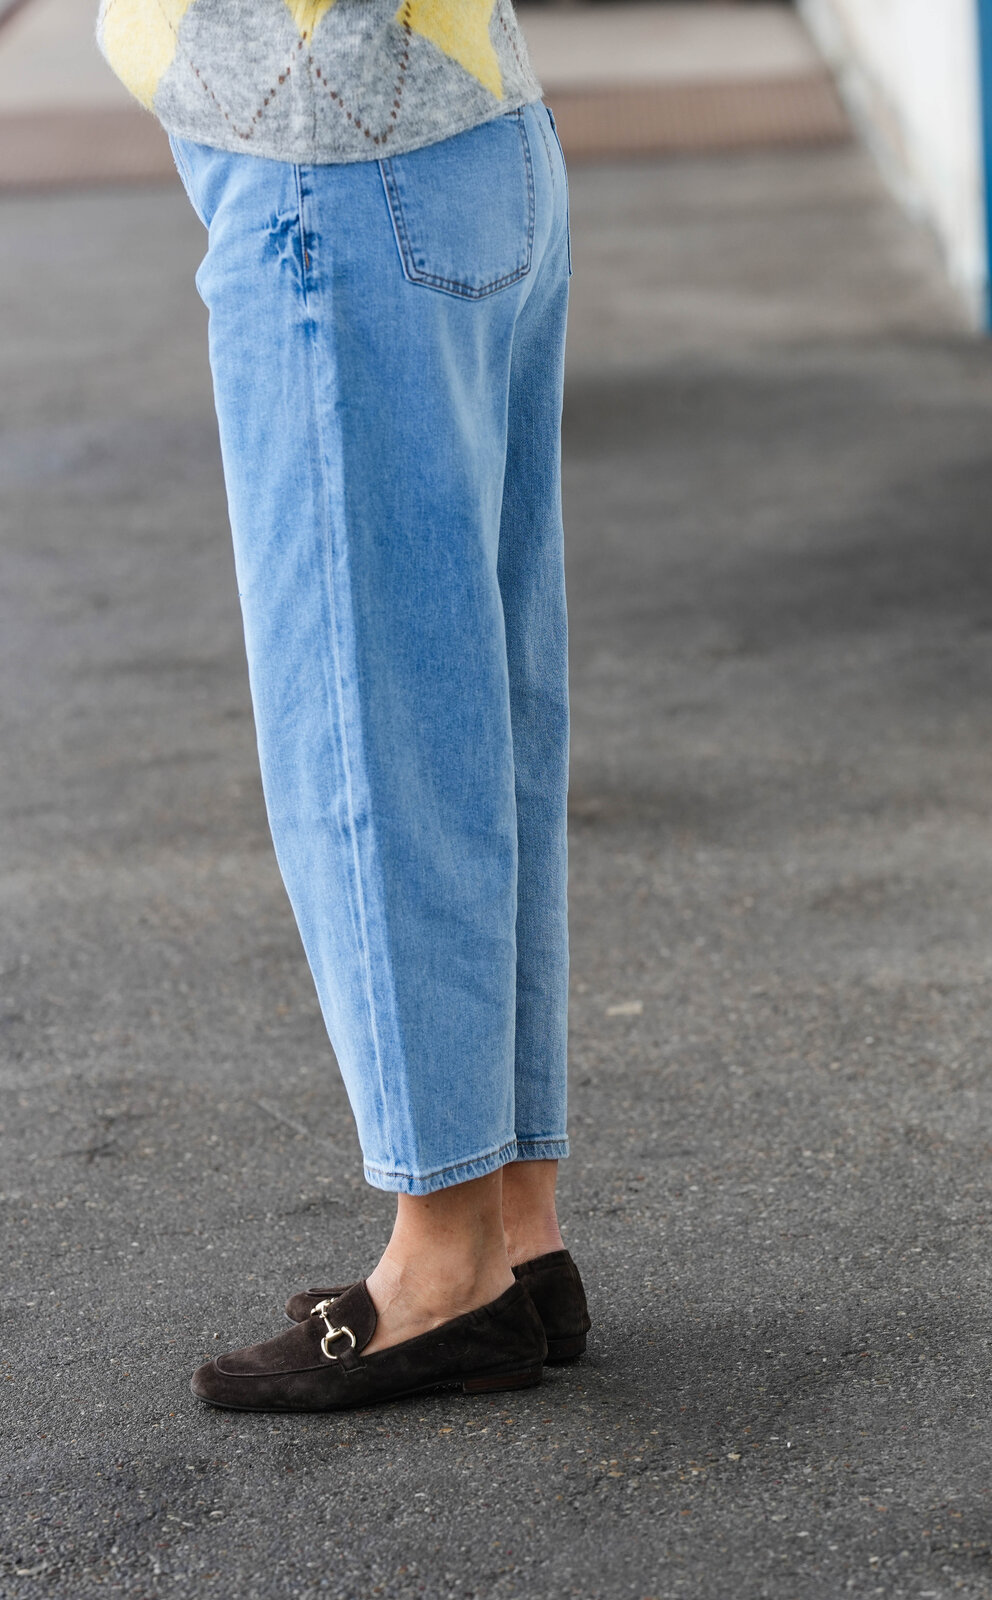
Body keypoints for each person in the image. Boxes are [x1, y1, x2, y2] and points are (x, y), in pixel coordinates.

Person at [96, 0, 589, 1411]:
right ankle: (512, 1225)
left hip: (336, 159)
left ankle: (446, 1266)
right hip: (470, 134)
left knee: (369, 731)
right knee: (475, 718)